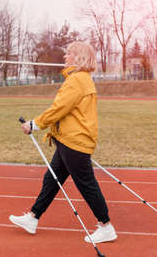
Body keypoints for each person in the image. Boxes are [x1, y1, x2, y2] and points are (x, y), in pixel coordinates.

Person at [9, 41, 117, 244]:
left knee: (86, 184)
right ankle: (33, 218)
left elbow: (60, 108)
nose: (65, 57)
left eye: (69, 54)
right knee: (51, 179)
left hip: (74, 141)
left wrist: (34, 124)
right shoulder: (81, 79)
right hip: (68, 139)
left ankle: (106, 226)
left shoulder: (77, 80)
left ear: (78, 57)